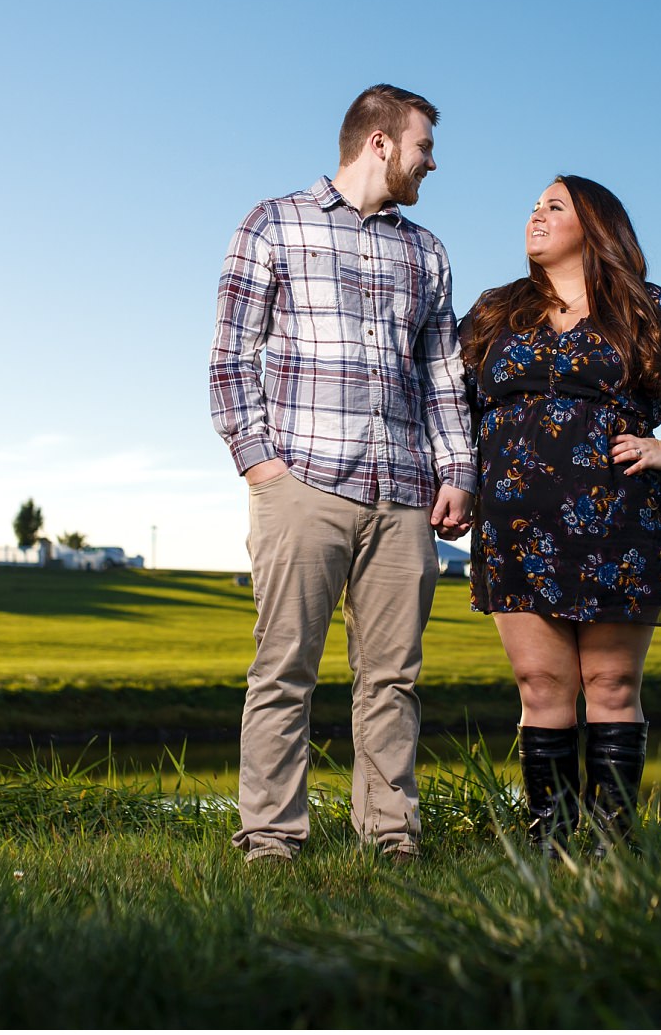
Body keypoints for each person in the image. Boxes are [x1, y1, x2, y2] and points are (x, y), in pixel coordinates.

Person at [209, 84, 476, 865]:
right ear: (383, 142)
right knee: (284, 671)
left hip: (403, 495)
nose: (433, 161)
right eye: (425, 145)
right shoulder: (272, 223)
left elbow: (443, 373)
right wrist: (259, 462)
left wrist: (457, 467)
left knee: (392, 679)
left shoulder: (427, 251)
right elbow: (231, 357)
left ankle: (392, 839)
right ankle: (270, 838)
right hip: (302, 484)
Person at [460, 175, 661, 851]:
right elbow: (448, 398)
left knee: (610, 682)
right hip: (515, 522)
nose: (536, 215)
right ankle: (550, 847)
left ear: (596, 225)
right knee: (539, 682)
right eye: (533, 206)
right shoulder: (496, 311)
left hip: (622, 520)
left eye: (554, 206)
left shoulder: (646, 307)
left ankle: (614, 846)